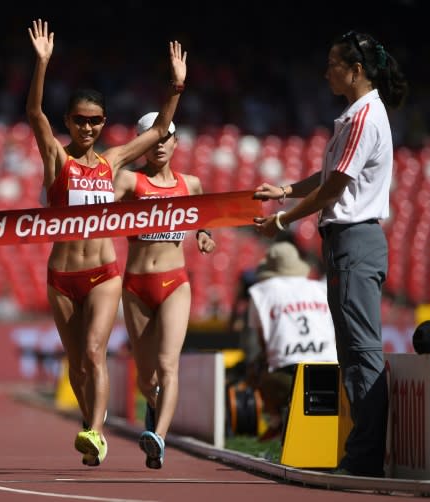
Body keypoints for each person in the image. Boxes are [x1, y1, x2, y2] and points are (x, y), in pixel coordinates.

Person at [26, 18, 187, 467]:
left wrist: (175, 88)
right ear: (69, 122)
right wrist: (41, 65)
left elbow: (158, 133)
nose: (88, 128)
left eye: (96, 121)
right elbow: (34, 116)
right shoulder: (57, 159)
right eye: (79, 120)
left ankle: (95, 432)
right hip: (61, 276)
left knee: (96, 352)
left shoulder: (112, 161)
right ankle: (89, 422)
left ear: (103, 124)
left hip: (103, 273)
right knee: (77, 364)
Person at [253, 30, 408, 477]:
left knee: (360, 351)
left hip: (353, 240)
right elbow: (328, 176)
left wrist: (282, 220)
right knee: (353, 350)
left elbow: (333, 189)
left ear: (355, 70)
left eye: (332, 64)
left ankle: (365, 458)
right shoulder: (357, 116)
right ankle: (364, 452)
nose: (326, 72)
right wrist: (284, 191)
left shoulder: (363, 119)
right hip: (349, 242)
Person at [113, 112, 216, 469]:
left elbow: (204, 214)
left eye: (165, 138)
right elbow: (94, 196)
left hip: (175, 283)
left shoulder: (191, 183)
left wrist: (205, 233)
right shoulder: (129, 181)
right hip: (136, 286)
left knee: (168, 365)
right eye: (150, 139)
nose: (158, 145)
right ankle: (153, 408)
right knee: (147, 377)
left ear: (176, 142)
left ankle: (159, 436)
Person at [242, 241, 337, 441]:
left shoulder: (261, 292)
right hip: (330, 370)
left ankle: (276, 420)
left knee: (254, 369)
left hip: (285, 375)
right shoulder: (320, 288)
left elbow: (263, 342)